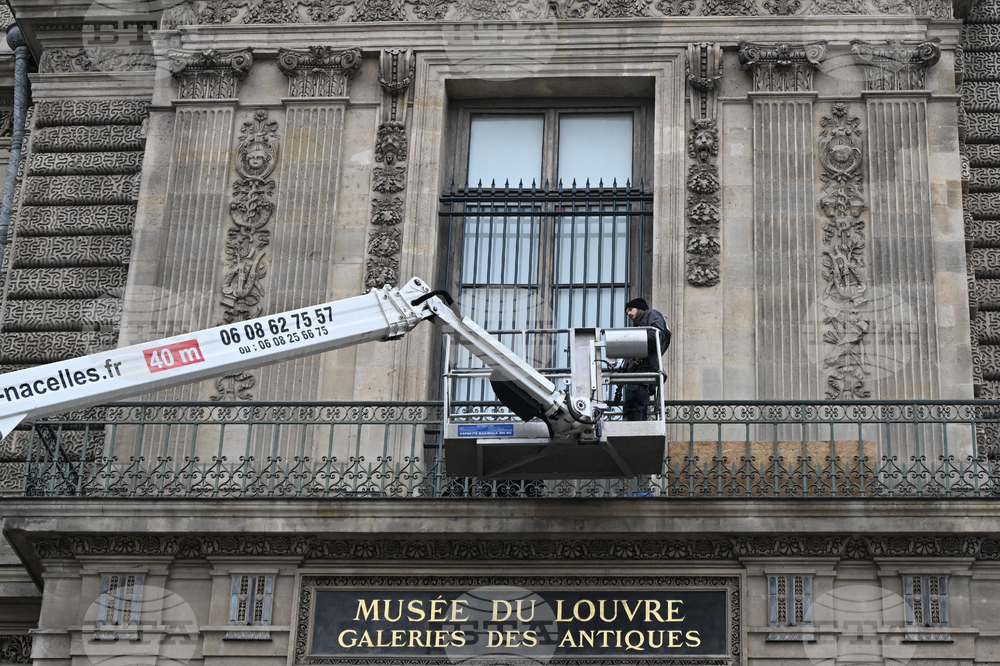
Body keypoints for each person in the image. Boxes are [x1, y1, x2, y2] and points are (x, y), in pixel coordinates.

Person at [620, 298, 671, 421]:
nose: (629, 313)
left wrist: (631, 340)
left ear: (641, 309)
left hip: (643, 371)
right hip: (641, 372)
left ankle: (632, 435)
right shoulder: (641, 324)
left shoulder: (650, 314)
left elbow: (656, 335)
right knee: (637, 406)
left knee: (633, 408)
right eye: (627, 312)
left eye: (630, 309)